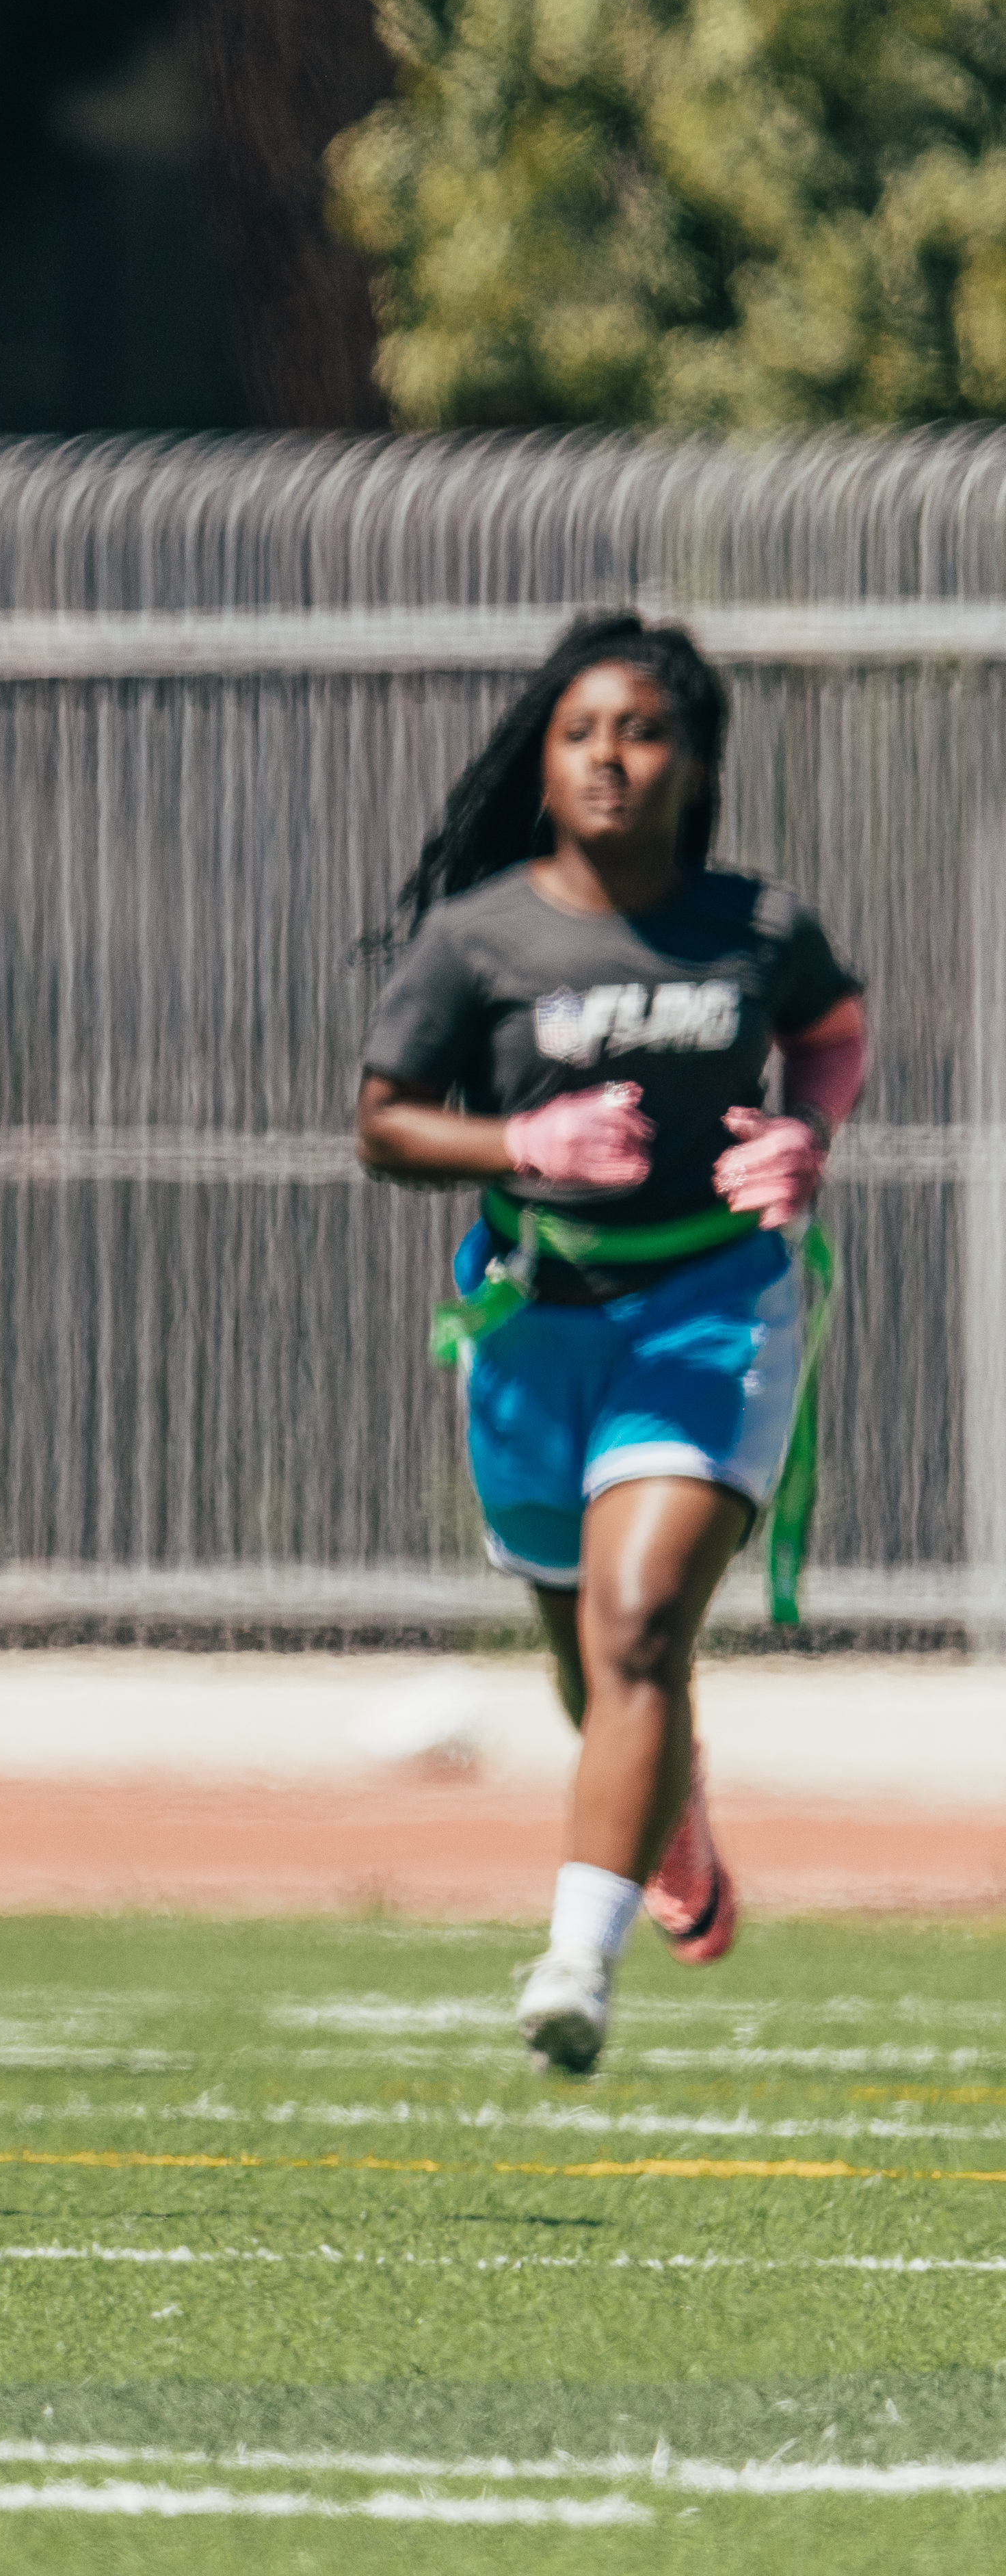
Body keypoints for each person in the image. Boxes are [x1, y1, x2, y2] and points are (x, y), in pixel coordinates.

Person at [357, 612, 864, 2077]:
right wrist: (520, 1137)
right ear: (545, 759)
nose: (609, 758)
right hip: (527, 1327)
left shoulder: (757, 927)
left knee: (643, 1626)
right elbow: (383, 1121)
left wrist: (804, 1134)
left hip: (709, 1310)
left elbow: (829, 1029)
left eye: (640, 731)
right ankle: (666, 1811)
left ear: (689, 759)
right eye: (581, 733)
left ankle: (576, 1961)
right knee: (594, 1659)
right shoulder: (482, 936)